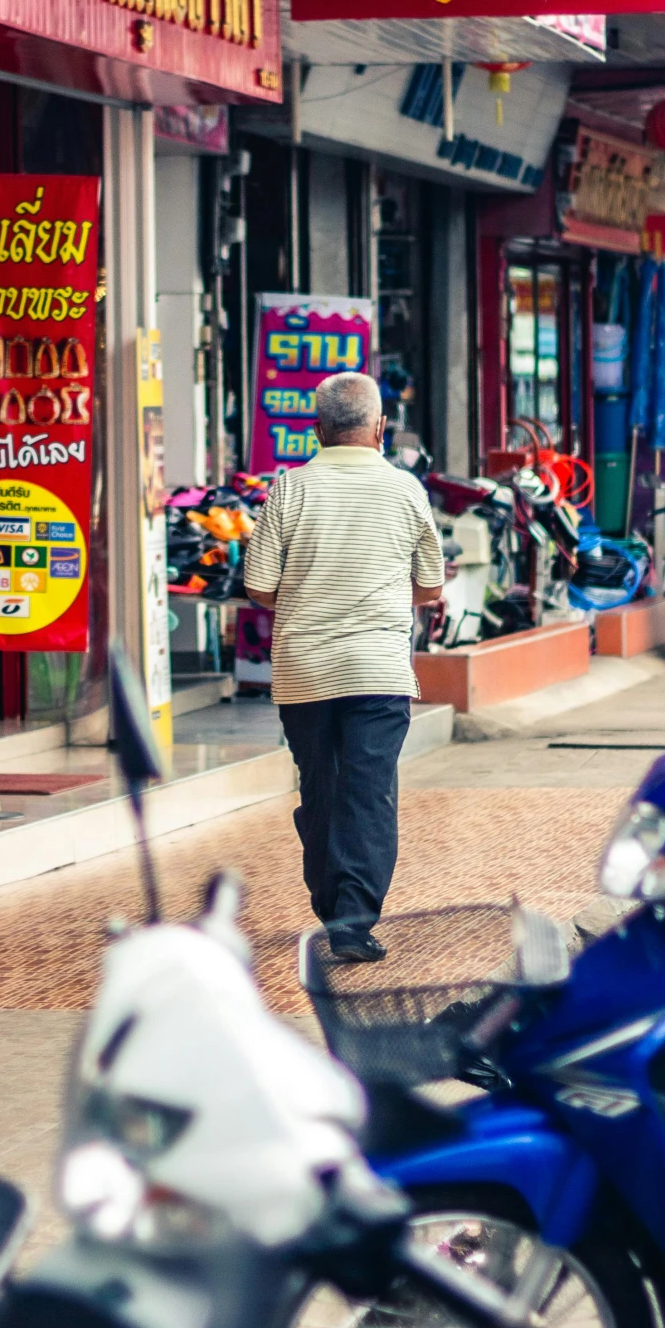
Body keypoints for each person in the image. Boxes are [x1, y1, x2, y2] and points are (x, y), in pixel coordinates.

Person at [243, 371, 444, 962]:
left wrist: (310, 597)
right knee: (368, 791)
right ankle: (352, 920)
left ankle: (333, 908)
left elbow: (258, 585)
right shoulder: (406, 490)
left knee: (323, 789)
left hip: (305, 670)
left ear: (317, 430)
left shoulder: (290, 489)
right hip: (378, 671)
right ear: (381, 428)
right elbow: (430, 587)